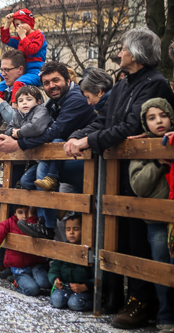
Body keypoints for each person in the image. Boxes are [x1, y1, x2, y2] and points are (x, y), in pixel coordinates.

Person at [66, 28, 174, 327]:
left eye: (123, 47)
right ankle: (124, 296)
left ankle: (145, 303)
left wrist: (88, 142)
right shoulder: (124, 83)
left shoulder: (155, 83)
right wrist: (76, 137)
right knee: (122, 238)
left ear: (136, 53)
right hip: (116, 175)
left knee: (142, 240)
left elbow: (129, 126)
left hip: (144, 176)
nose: (119, 51)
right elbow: (104, 120)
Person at [0, 61, 95, 240]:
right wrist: (11, 133)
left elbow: (54, 132)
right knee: (26, 181)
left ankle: (47, 225)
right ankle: (46, 218)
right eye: (46, 83)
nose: (51, 86)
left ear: (67, 79)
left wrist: (18, 143)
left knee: (44, 176)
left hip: (83, 161)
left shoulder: (76, 98)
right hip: (59, 158)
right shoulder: (53, 103)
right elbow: (32, 124)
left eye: (55, 80)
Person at [128, 98, 174, 331]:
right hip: (156, 219)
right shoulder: (142, 147)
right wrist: (158, 164)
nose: (159, 121)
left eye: (163, 116)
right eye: (152, 117)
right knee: (161, 267)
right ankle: (166, 316)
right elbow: (138, 186)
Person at [0, 205, 51, 297]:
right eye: (20, 212)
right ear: (14, 213)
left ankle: (31, 280)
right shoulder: (9, 223)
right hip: (19, 269)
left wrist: (32, 217)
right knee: (33, 290)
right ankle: (17, 282)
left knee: (45, 283)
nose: (24, 216)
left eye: (27, 212)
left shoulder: (36, 223)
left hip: (36, 265)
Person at [0, 8, 46, 102]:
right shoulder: (19, 40)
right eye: (17, 24)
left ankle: (15, 106)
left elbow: (32, 50)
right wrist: (8, 23)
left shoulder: (38, 35)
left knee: (18, 83)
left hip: (35, 72)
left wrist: (23, 36)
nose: (20, 26)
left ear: (30, 22)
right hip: (23, 71)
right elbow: (5, 39)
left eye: (23, 22)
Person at [48, 215, 94, 312]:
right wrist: (55, 280)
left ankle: (95, 303)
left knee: (75, 304)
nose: (71, 232)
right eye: (68, 229)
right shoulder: (64, 248)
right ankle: (69, 298)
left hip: (86, 288)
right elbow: (54, 268)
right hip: (67, 286)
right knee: (56, 301)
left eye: (76, 229)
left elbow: (100, 276)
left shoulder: (90, 249)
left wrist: (85, 286)